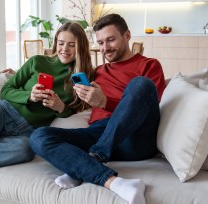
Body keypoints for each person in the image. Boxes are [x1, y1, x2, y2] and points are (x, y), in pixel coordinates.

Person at [29, 13, 166, 204]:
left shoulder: (149, 65)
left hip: (134, 137)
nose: (105, 48)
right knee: (39, 136)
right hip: (98, 133)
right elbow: (64, 66)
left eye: (110, 40)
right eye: (100, 42)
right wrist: (14, 73)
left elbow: (148, 106)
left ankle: (94, 158)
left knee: (141, 84)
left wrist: (105, 102)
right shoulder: (97, 72)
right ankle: (106, 177)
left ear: (127, 35)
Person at [0, 22, 94, 168]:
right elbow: (6, 90)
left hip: (26, 131)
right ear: (55, 43)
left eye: (72, 45)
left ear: (81, 47)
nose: (65, 49)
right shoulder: (37, 62)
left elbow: (76, 109)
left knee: (25, 149)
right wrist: (29, 96)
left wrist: (60, 107)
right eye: (61, 43)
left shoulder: (84, 78)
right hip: (2, 113)